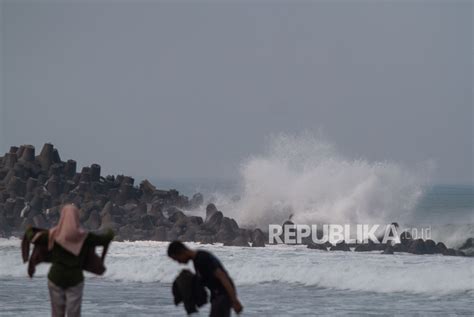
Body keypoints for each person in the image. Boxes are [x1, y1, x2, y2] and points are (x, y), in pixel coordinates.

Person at [24, 204, 114, 317]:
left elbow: (33, 238)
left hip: (56, 278)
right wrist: (110, 231)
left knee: (57, 313)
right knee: (74, 313)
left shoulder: (53, 235)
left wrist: (29, 230)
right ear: (77, 218)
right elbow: (104, 239)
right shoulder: (84, 237)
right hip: (75, 280)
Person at [168, 241, 243, 317]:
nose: (179, 262)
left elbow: (222, 276)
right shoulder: (198, 259)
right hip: (218, 296)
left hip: (222, 295)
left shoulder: (202, 258)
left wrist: (234, 300)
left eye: (177, 259)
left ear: (181, 252)